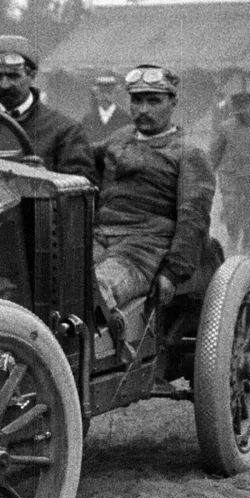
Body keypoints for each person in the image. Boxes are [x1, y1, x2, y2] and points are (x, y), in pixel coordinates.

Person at [92, 65, 215, 323]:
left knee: (95, 292)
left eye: (154, 101)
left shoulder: (189, 155)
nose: (144, 109)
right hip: (97, 241)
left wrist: (172, 273)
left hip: (141, 252)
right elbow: (82, 160)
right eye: (137, 100)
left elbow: (193, 220)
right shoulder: (121, 137)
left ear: (173, 103)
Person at [0, 34, 97, 184]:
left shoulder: (65, 130)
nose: (4, 84)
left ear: (32, 76)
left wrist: (48, 177)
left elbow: (85, 188)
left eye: (13, 76)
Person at [209, 91, 250, 254]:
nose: (242, 115)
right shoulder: (225, 128)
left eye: (245, 110)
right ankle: (233, 239)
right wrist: (207, 173)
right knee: (231, 211)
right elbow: (215, 153)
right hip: (231, 176)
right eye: (239, 111)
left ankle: (248, 248)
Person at [81, 74, 133, 144]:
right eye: (102, 92)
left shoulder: (126, 119)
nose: (105, 96)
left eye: (109, 93)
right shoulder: (87, 120)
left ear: (116, 94)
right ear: (96, 95)